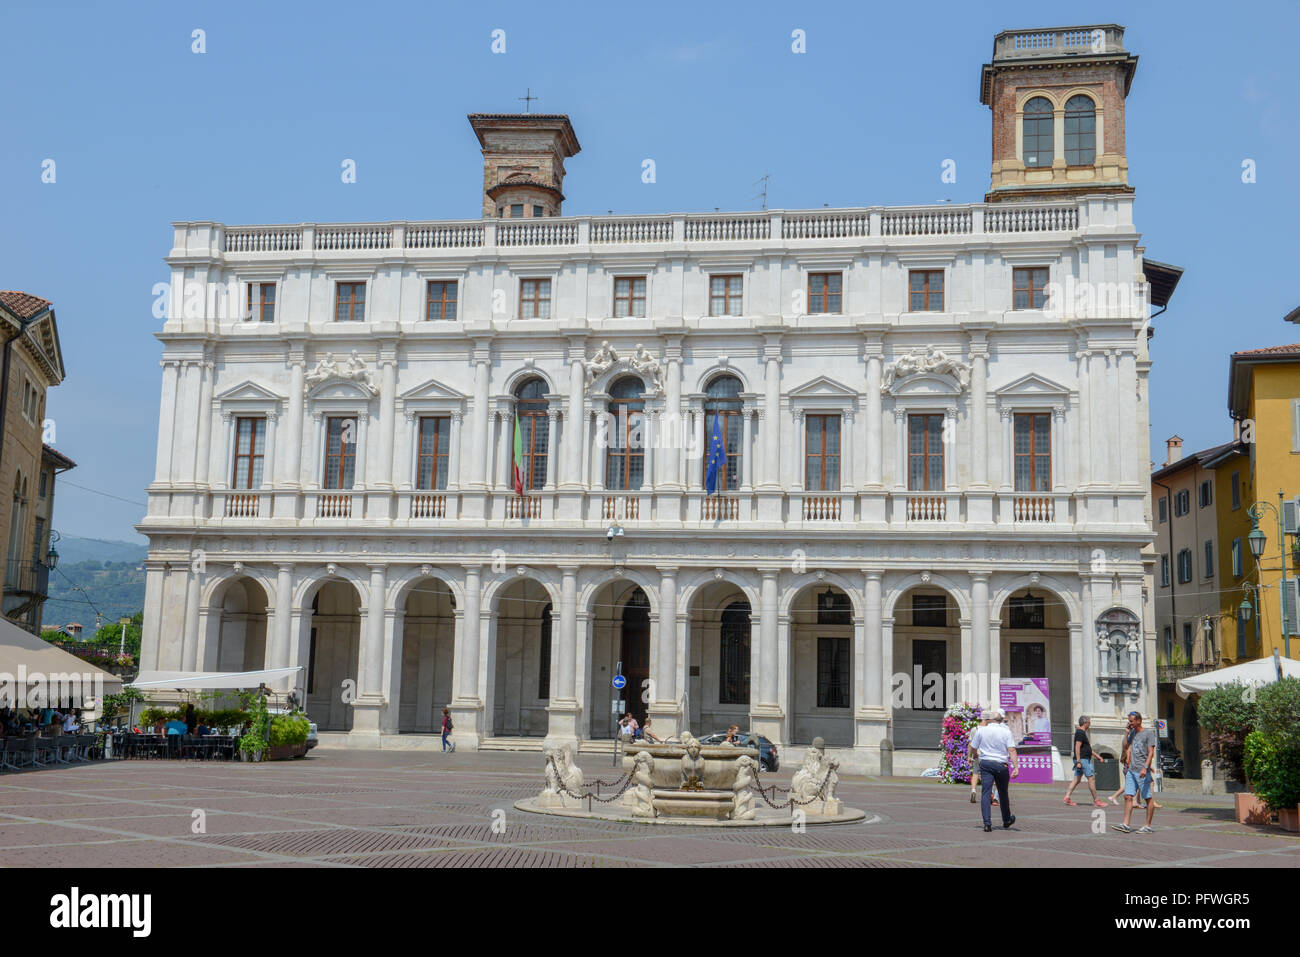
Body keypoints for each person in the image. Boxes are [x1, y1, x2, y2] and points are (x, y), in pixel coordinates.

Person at [970, 708, 1018, 832]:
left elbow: (973, 746)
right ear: (1001, 720)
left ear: (990, 719)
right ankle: (1006, 820)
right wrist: (1016, 767)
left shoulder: (982, 730)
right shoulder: (1006, 732)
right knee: (1003, 793)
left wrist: (974, 755)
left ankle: (987, 824)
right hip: (1001, 764)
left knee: (986, 792)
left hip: (986, 763)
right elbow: (1012, 750)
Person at [1113, 711, 1159, 834]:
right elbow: (1125, 746)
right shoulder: (1133, 732)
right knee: (1128, 796)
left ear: (1138, 721)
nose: (1130, 723)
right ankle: (1126, 824)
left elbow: (1151, 753)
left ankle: (1147, 826)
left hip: (1142, 770)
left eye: (1131, 721)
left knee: (1148, 798)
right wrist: (1126, 733)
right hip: (1131, 770)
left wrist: (1145, 767)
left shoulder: (1148, 734)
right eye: (1129, 721)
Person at [1064, 716, 1107, 807]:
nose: (1090, 724)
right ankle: (1096, 800)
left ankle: (1067, 797)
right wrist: (1078, 761)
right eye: (1089, 722)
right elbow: (1077, 747)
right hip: (1083, 760)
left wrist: (1097, 756)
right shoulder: (1080, 733)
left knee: (1077, 780)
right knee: (1091, 779)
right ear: (1085, 723)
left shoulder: (1082, 733)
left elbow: (1088, 749)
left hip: (1082, 760)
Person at [967, 716, 998, 807]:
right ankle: (991, 793)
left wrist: (970, 756)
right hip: (987, 756)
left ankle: (973, 791)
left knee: (975, 773)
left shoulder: (975, 729)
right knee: (989, 775)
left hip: (977, 755)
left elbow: (971, 744)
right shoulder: (990, 730)